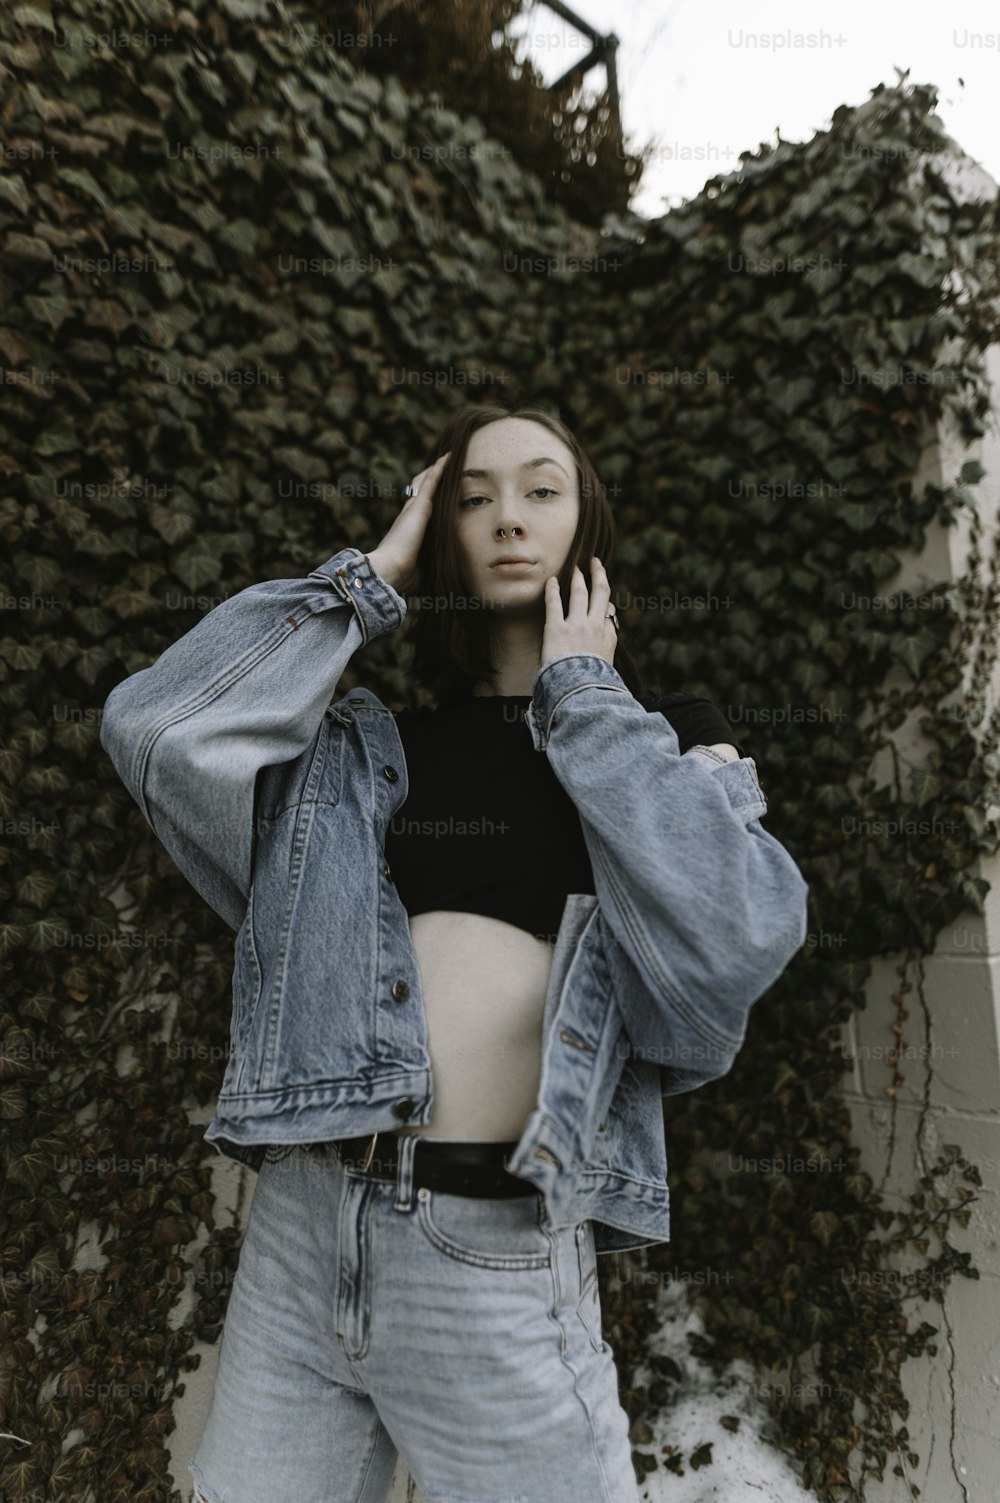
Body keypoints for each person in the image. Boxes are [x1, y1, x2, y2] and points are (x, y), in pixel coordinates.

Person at [99, 397, 810, 1503]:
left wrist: (582, 697)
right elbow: (156, 733)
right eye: (471, 499)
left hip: (491, 1244)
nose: (507, 519)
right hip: (302, 1222)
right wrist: (368, 580)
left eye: (541, 489)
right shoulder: (369, 744)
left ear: (589, 527)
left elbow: (738, 937)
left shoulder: (656, 738)